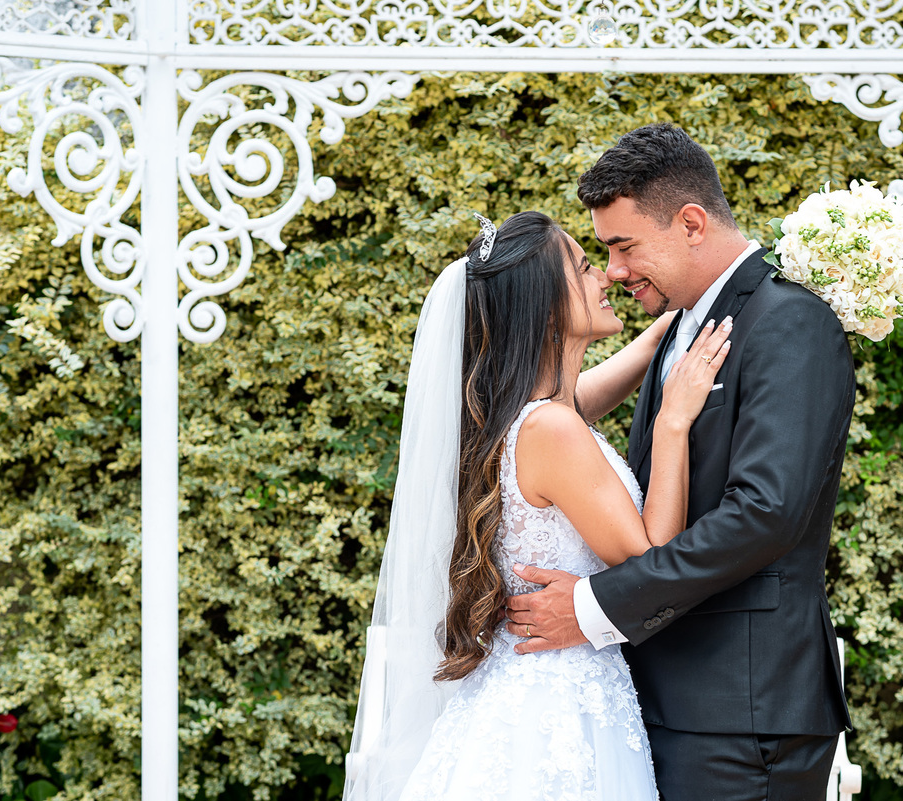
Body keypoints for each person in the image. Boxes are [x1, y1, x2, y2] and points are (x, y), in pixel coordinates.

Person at [504, 123, 857, 801]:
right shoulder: (680, 326)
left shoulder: (788, 320)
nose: (613, 271)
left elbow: (765, 513)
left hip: (740, 712)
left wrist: (594, 605)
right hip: (659, 704)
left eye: (624, 246)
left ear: (691, 223)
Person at [342, 210, 733, 800]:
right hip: (558, 707)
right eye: (584, 267)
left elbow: (585, 395)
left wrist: (673, 322)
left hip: (529, 690)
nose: (606, 276)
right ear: (547, 306)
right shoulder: (551, 429)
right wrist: (673, 422)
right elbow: (653, 557)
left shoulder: (522, 416)